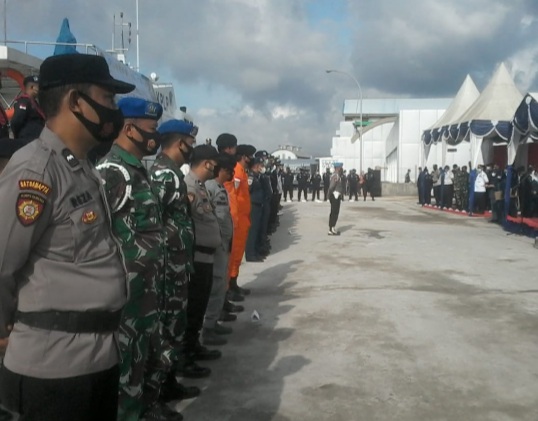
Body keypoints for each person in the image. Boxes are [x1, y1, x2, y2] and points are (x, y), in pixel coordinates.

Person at [0, 53, 132, 421]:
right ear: (77, 102)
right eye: (107, 99)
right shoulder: (36, 171)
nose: (113, 110)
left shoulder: (81, 168)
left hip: (96, 361)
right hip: (53, 372)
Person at [97, 97, 180, 420]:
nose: (155, 137)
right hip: (126, 299)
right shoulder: (111, 173)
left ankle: (149, 409)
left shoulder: (138, 172)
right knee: (126, 373)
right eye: (151, 130)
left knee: (148, 361)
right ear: (129, 129)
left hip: (147, 292)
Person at [150, 118, 203, 406]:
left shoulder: (171, 173)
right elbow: (154, 221)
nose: (192, 148)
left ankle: (168, 383)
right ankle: (158, 393)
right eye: (190, 143)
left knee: (175, 327)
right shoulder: (162, 174)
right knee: (167, 330)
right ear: (179, 142)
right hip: (168, 266)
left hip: (179, 263)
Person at [183, 145, 222, 378]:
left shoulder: (199, 187)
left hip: (207, 258)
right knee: (193, 308)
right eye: (214, 163)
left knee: (199, 308)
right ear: (207, 163)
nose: (216, 167)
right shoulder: (187, 186)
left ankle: (194, 347)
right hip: (196, 259)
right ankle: (185, 357)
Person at [204, 153, 237, 345]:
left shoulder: (219, 188)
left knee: (220, 283)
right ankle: (208, 327)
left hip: (223, 243)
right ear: (222, 170)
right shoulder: (210, 188)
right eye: (229, 170)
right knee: (215, 285)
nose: (231, 173)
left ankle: (214, 321)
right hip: (215, 245)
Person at [226, 144, 256, 299]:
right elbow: (233, 195)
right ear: (245, 156)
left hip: (243, 218)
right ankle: (229, 287)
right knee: (234, 254)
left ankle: (234, 284)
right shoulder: (237, 171)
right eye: (250, 155)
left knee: (238, 254)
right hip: (236, 219)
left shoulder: (242, 171)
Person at [10, 75, 45, 141]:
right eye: (39, 87)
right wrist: (18, 136)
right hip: (27, 138)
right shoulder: (24, 102)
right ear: (32, 87)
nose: (40, 90)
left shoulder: (34, 102)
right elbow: (16, 121)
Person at [245, 156, 266, 261]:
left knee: (257, 229)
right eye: (261, 165)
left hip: (258, 205)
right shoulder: (251, 177)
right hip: (253, 205)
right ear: (256, 166)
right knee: (252, 230)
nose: (262, 167)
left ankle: (255, 251)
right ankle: (250, 254)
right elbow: (247, 191)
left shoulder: (257, 176)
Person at [328, 162, 344, 235]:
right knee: (334, 212)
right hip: (335, 196)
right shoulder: (335, 176)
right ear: (338, 168)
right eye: (341, 168)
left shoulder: (337, 175)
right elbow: (331, 187)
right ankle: (331, 229)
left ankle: (332, 228)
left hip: (336, 196)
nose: (342, 169)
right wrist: (330, 195)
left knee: (335, 212)